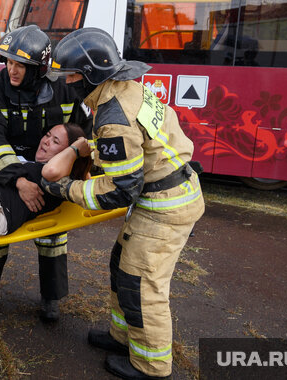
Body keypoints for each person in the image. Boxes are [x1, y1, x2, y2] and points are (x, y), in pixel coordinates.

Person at [42, 27, 204, 380]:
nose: (67, 82)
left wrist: (65, 189)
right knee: (122, 267)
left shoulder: (113, 115)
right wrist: (94, 149)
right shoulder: (126, 89)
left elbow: (118, 190)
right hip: (164, 193)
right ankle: (123, 337)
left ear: (90, 76)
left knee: (141, 284)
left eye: (72, 75)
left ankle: (151, 366)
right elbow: (138, 146)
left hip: (165, 206)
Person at [0, 24, 92, 322]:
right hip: (4, 172)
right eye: (9, 62)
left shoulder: (64, 89)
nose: (11, 70)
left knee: (53, 235)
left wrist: (80, 169)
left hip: (48, 172)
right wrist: (20, 181)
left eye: (20, 65)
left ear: (39, 68)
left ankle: (51, 299)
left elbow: (82, 133)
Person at [0, 123, 91, 242]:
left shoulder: (60, 179)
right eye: (47, 135)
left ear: (67, 154)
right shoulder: (34, 164)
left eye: (55, 141)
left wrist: (75, 150)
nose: (46, 141)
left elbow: (53, 170)